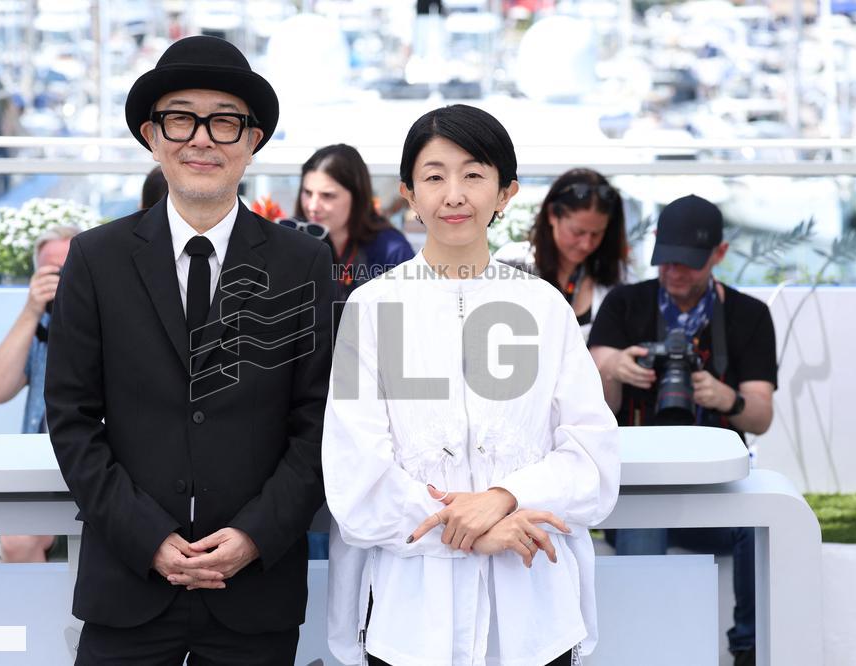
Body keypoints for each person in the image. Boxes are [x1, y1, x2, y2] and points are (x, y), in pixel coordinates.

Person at [45, 36, 333, 665]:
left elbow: (318, 421)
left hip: (253, 589)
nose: (202, 138)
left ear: (252, 141)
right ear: (153, 135)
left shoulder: (302, 262)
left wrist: (255, 536)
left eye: (225, 121)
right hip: (128, 584)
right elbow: (71, 420)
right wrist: (147, 537)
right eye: (181, 118)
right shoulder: (95, 259)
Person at [322, 104, 620, 666]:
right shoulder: (375, 307)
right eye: (434, 176)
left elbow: (592, 458)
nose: (453, 194)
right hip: (413, 619)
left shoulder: (542, 308)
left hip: (533, 615)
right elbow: (355, 477)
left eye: (474, 174)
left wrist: (505, 499)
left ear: (506, 193)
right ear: (408, 194)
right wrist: (472, 533)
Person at [587, 194, 777, 666]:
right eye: (666, 260)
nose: (674, 273)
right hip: (636, 484)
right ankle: (638, 654)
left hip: (713, 487)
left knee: (756, 529)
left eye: (689, 264)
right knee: (642, 533)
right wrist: (615, 368)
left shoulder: (748, 315)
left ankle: (748, 649)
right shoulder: (625, 304)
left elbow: (761, 416)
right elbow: (591, 401)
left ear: (719, 254)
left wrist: (723, 396)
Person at [0, 224, 78, 563]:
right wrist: (31, 310)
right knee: (17, 539)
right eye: (49, 270)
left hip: (96, 475)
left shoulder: (111, 320)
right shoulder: (40, 329)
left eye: (69, 268)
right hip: (43, 478)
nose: (58, 278)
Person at [494, 168, 627, 339]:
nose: (586, 244)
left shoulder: (618, 275)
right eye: (577, 232)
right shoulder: (512, 264)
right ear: (552, 215)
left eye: (597, 234)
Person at [294, 143, 415, 303]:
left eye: (327, 195)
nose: (313, 206)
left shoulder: (391, 251)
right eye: (308, 193)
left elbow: (407, 319)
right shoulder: (293, 241)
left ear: (357, 197)